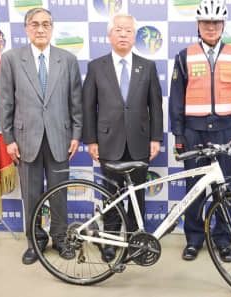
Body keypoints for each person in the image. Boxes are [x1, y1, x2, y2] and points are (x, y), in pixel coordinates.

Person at [169, 0, 231, 261]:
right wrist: (180, 135)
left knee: (225, 189)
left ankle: (223, 239)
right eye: (206, 22)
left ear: (223, 25)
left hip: (226, 132)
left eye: (216, 22)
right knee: (194, 188)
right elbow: (176, 99)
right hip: (194, 133)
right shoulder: (184, 56)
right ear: (198, 25)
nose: (211, 27)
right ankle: (194, 239)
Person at [0, 8, 83, 265]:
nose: (40, 29)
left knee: (59, 193)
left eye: (46, 24)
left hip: (60, 138)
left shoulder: (67, 60)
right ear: (26, 29)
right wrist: (9, 139)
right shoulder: (12, 59)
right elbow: (5, 104)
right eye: (34, 24)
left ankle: (60, 238)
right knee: (32, 194)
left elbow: (75, 103)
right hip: (25, 141)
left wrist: (76, 134)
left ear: (52, 28)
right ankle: (35, 241)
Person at [82, 13, 163, 262]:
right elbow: (88, 106)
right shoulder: (96, 67)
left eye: (128, 30)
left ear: (134, 35)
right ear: (109, 35)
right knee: (111, 197)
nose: (124, 34)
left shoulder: (147, 66)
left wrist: (156, 138)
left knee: (137, 196)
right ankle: (111, 240)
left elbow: (156, 106)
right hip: (108, 143)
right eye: (118, 30)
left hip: (140, 142)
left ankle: (135, 240)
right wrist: (92, 141)